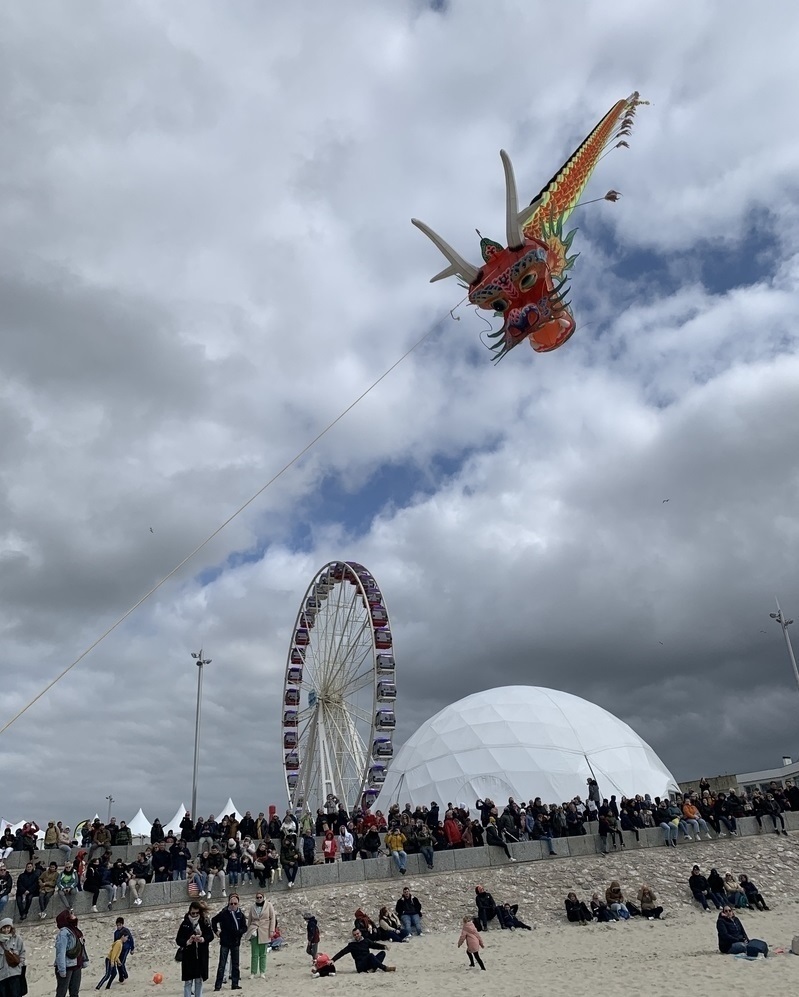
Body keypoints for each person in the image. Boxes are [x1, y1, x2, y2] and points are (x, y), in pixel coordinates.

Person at [176, 901, 214, 997]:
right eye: (193, 913)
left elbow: (210, 935)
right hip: (188, 957)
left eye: (197, 913)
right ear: (189, 912)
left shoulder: (204, 922)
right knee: (188, 981)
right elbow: (178, 939)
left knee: (199, 980)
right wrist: (187, 941)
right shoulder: (185, 923)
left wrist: (202, 939)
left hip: (201, 955)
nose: (195, 915)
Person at [211, 894, 247, 991]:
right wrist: (216, 932)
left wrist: (239, 932)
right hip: (225, 941)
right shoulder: (224, 913)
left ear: (238, 904)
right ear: (228, 903)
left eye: (235, 903)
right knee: (222, 964)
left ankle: (235, 984)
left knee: (235, 964)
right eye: (231, 903)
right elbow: (214, 920)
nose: (233, 905)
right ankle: (218, 985)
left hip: (235, 942)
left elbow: (244, 927)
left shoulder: (240, 914)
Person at [54, 909, 88, 997]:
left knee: (75, 992)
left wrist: (84, 960)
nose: (74, 914)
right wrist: (62, 969)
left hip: (77, 965)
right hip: (67, 967)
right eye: (71, 914)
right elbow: (60, 952)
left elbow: (81, 946)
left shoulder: (76, 930)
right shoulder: (63, 933)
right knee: (61, 993)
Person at [244, 892, 275, 980]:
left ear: (263, 897)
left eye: (260, 897)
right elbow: (250, 920)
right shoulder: (252, 907)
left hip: (264, 930)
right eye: (257, 897)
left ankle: (262, 972)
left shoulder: (268, 905)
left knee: (263, 953)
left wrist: (271, 930)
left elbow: (272, 918)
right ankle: (253, 972)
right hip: (254, 931)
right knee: (254, 953)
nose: (259, 899)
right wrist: (249, 932)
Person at [0, 917, 26, 997]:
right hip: (2, 975)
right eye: (4, 928)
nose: (6, 930)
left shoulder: (17, 939)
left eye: (8, 927)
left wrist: (20, 965)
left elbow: (22, 952)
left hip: (15, 973)